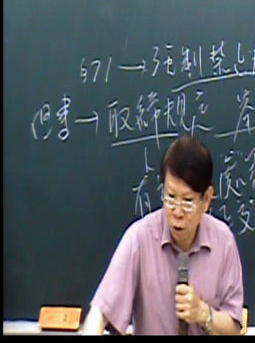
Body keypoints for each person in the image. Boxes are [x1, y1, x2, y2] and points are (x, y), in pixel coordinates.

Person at [82, 135, 244, 335]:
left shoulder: (223, 241)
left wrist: (203, 313)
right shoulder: (139, 238)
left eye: (187, 201)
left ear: (207, 199)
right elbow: (101, 311)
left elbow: (234, 327)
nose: (177, 212)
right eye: (171, 197)